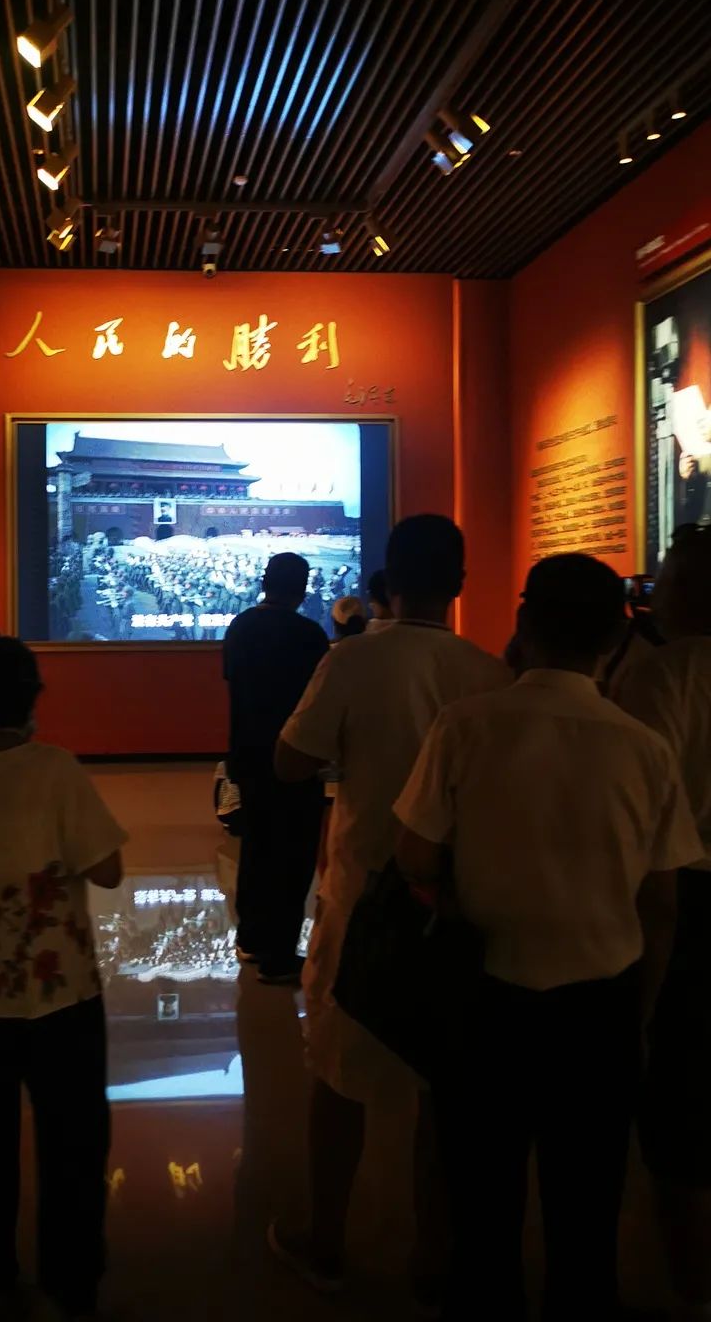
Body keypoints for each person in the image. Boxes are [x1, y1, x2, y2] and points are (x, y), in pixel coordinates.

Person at [395, 552, 703, 1322]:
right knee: (587, 1208)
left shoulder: (464, 725)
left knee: (483, 1200)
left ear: (523, 626)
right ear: (615, 639)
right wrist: (640, 1013)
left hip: (484, 997)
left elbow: (415, 854)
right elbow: (662, 903)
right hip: (600, 1005)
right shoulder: (644, 746)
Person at [268, 516, 509, 1296]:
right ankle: (433, 1259)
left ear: (387, 579)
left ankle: (326, 1239)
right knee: (444, 1083)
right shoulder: (490, 672)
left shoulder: (351, 660)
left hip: (363, 892)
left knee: (340, 1071)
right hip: (454, 899)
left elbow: (290, 761)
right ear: (460, 584)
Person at [0, 637, 126, 1317]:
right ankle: (70, 1278)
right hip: (56, 990)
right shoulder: (54, 768)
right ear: (33, 699)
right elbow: (108, 869)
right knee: (72, 1141)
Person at [616, 526, 711, 1319]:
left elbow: (638, 808)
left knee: (680, 1090)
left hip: (688, 895)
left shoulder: (665, 674)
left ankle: (688, 1284)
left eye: (666, 581)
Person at [222, 553, 329, 984]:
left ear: (264, 582)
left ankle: (250, 939)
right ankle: (280, 955)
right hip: (295, 757)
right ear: (302, 588)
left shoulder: (240, 626)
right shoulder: (309, 635)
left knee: (256, 847)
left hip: (248, 754)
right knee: (293, 857)